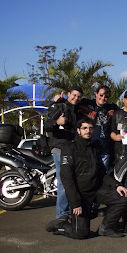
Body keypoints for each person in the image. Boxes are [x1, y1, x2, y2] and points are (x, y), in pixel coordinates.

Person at [45, 117, 127, 239]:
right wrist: (75, 203)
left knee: (122, 198)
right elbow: (67, 178)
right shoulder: (69, 148)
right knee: (81, 234)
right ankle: (61, 225)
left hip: (96, 191)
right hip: (81, 196)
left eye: (91, 128)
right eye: (84, 128)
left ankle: (106, 227)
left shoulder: (94, 148)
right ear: (78, 131)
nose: (88, 131)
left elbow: (102, 174)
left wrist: (117, 185)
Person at [44, 86, 84, 220]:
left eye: (79, 96)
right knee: (63, 181)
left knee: (73, 180)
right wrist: (57, 122)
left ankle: (73, 211)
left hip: (73, 149)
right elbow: (47, 125)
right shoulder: (59, 107)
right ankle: (61, 215)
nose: (76, 98)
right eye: (74, 95)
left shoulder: (78, 110)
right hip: (60, 149)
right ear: (68, 94)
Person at [78, 85, 118, 169]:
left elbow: (126, 110)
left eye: (106, 96)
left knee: (103, 177)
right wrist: (58, 101)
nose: (103, 98)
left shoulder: (112, 108)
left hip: (104, 150)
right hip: (88, 149)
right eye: (101, 95)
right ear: (96, 94)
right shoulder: (86, 104)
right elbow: (72, 102)